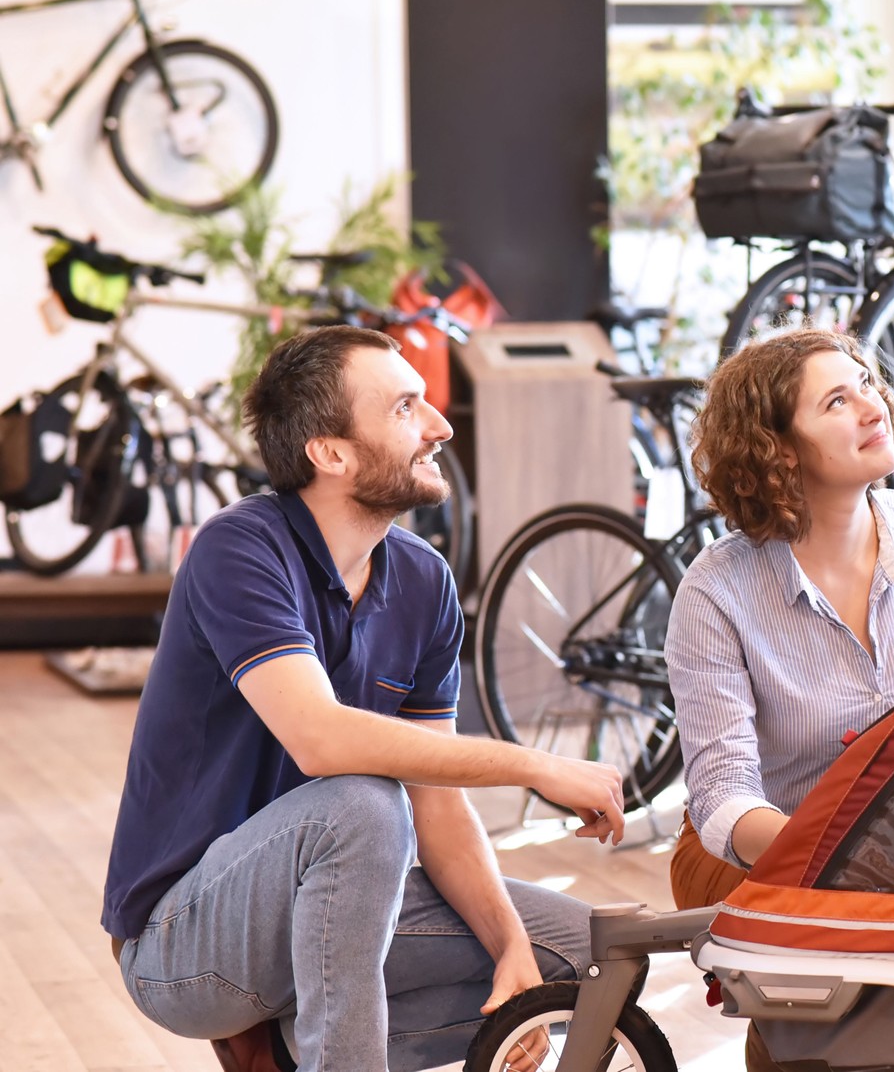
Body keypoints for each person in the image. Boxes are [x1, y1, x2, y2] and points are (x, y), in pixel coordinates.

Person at [103, 326, 628, 1072]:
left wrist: (511, 947)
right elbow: (321, 740)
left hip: (334, 903)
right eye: (407, 407)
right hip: (182, 941)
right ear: (331, 452)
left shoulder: (424, 581)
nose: (440, 425)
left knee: (585, 956)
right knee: (361, 803)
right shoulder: (240, 549)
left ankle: (285, 1054)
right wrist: (532, 764)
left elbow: (436, 802)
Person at [664, 328, 894, 1071]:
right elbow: (722, 797)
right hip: (762, 849)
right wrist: (846, 860)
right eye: (837, 401)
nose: (871, 408)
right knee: (828, 1017)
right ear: (778, 451)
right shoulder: (716, 592)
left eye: (867, 385)